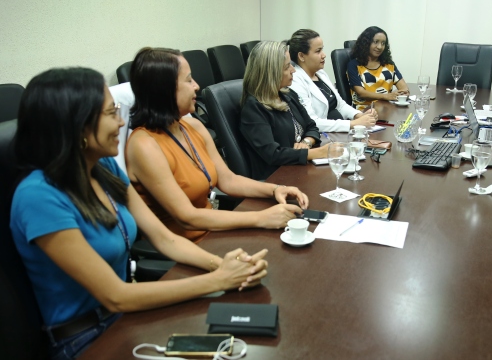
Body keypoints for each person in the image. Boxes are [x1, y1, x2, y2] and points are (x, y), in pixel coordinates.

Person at [9, 68, 269, 360]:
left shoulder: (103, 167)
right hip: (86, 339)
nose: (121, 122)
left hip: (126, 319)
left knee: (237, 344)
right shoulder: (38, 197)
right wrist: (219, 280)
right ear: (78, 125)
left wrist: (223, 266)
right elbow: (116, 296)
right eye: (111, 113)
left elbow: (165, 239)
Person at [126, 47, 309, 243]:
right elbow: (187, 217)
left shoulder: (194, 126)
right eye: (189, 80)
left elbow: (228, 180)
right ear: (165, 89)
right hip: (185, 246)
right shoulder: (144, 145)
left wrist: (275, 189)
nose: (196, 86)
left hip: (214, 232)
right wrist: (261, 218)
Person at [240, 41, 329, 180]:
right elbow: (273, 154)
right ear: (271, 72)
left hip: (298, 168)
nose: (293, 70)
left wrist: (306, 143)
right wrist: (319, 153)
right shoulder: (254, 108)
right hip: (277, 178)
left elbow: (312, 126)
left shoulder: (287, 95)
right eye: (287, 66)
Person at [287, 29, 378, 132]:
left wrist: (360, 116)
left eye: (322, 50)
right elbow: (311, 122)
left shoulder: (321, 73)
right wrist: (352, 124)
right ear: (301, 56)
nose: (324, 55)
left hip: (339, 132)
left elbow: (340, 105)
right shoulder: (295, 81)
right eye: (318, 51)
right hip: (323, 136)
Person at [347, 26, 410, 110]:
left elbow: (403, 88)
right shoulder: (354, 65)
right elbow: (361, 93)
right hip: (365, 111)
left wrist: (404, 93)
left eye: (383, 43)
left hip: (387, 109)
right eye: (376, 42)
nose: (380, 47)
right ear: (366, 43)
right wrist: (386, 96)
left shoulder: (389, 64)